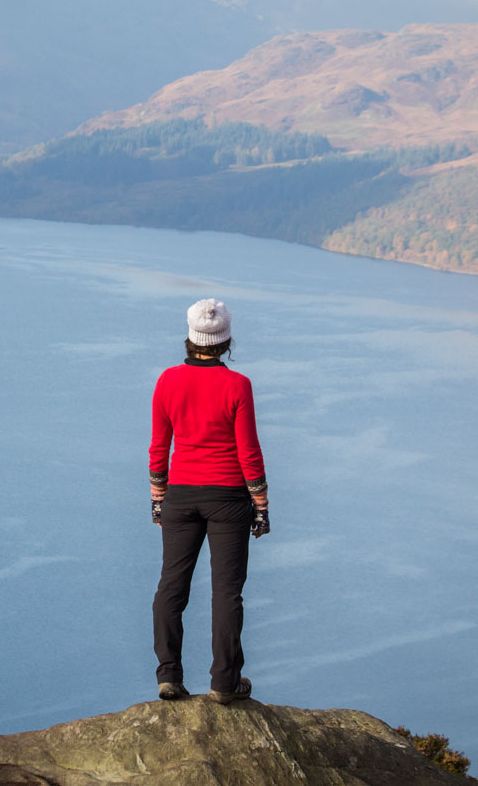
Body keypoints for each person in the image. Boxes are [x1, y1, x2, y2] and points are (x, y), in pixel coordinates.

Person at [149, 298, 270, 705]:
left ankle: (168, 676)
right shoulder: (238, 385)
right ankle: (225, 683)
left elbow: (158, 448)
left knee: (172, 585)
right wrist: (262, 502)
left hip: (181, 495)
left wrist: (157, 499)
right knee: (226, 591)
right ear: (225, 341)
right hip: (228, 498)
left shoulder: (167, 381)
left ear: (190, 337)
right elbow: (248, 451)